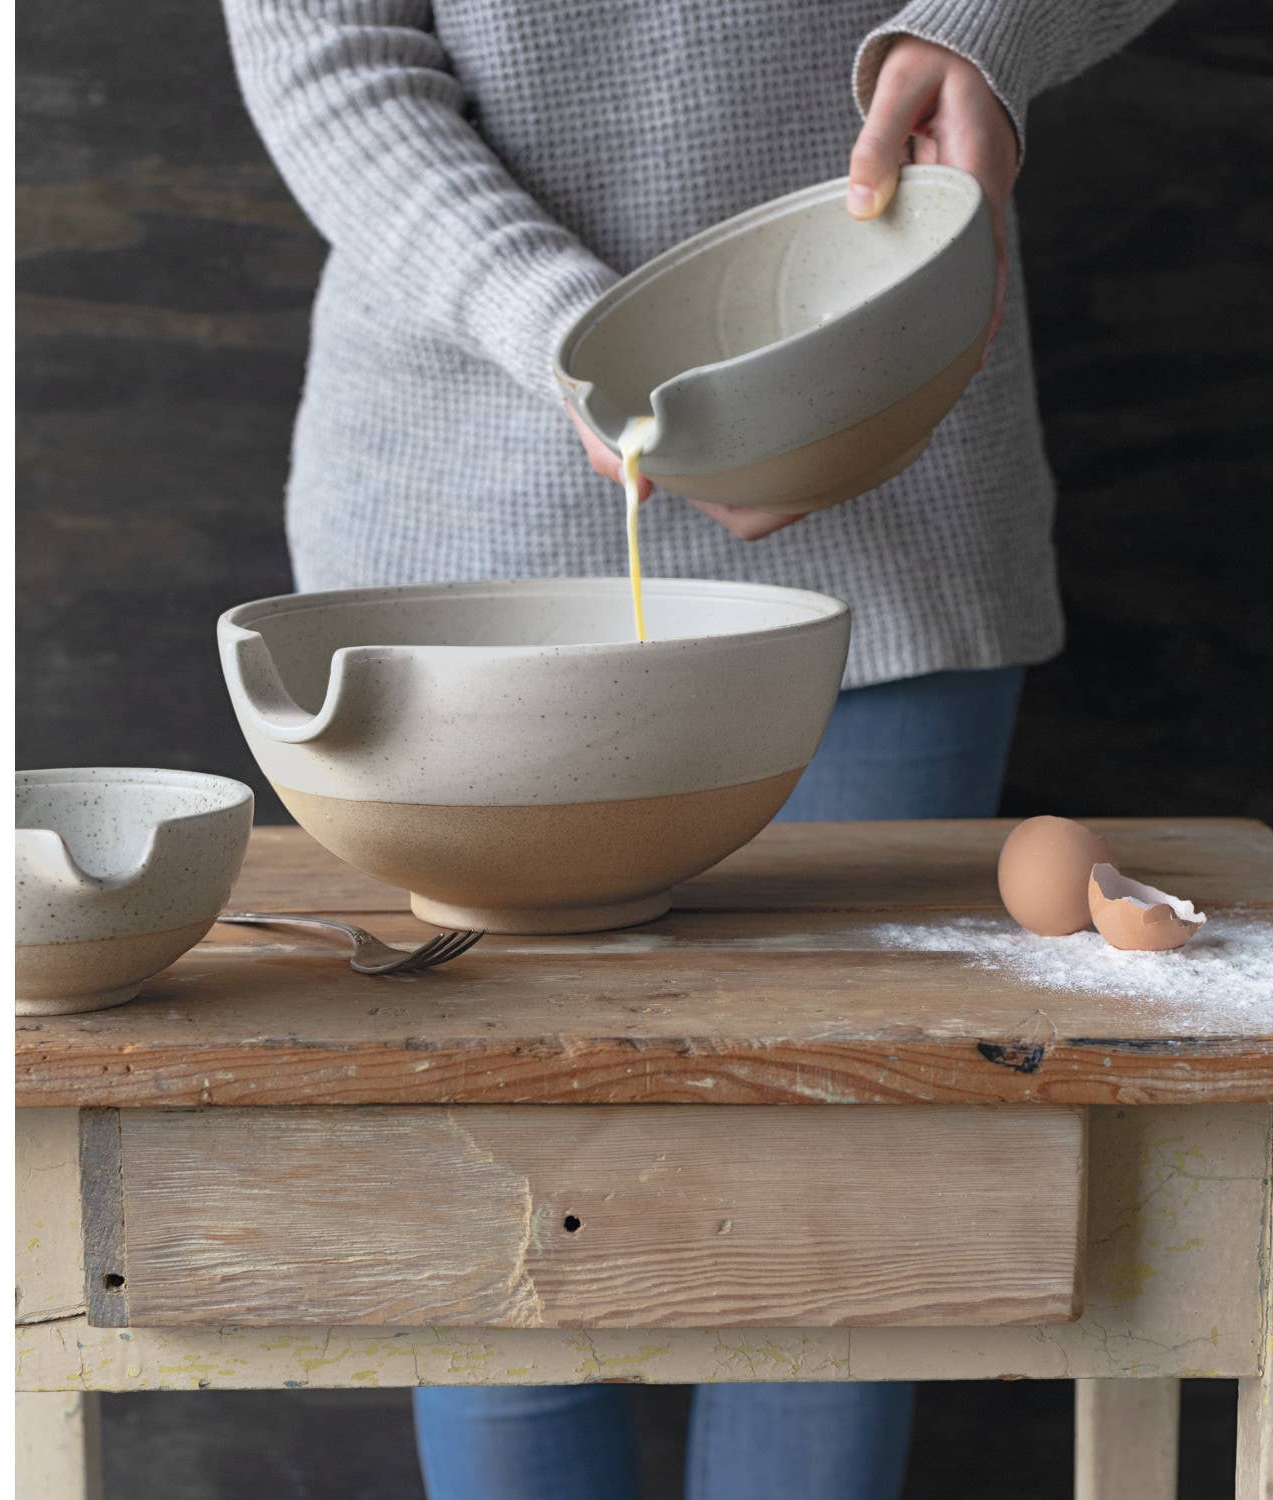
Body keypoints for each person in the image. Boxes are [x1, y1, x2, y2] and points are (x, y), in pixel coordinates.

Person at [223, 3, 1174, 1494]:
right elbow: (330, 62)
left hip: (894, 499)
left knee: (847, 1229)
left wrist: (980, 35)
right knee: (493, 1221)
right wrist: (589, 347)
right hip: (459, 543)